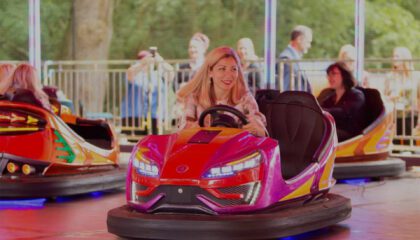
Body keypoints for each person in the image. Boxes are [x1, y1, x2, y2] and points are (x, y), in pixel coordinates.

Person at [176, 46, 267, 137]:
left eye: (233, 69)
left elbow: (259, 125)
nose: (229, 75)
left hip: (235, 148)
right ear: (210, 72)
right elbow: (184, 129)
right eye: (222, 69)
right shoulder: (195, 97)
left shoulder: (245, 97)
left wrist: (256, 129)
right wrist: (198, 127)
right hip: (204, 148)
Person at [121, 49, 174, 135]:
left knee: (156, 143)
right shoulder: (136, 74)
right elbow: (129, 73)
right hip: (136, 116)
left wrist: (161, 61)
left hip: (156, 116)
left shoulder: (158, 75)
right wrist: (142, 63)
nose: (148, 62)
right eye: (141, 59)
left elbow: (171, 73)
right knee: (136, 143)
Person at [320, 62, 366, 142]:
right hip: (334, 130)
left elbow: (345, 112)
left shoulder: (356, 95)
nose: (330, 78)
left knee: (319, 133)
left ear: (344, 75)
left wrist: (323, 111)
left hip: (350, 134)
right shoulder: (330, 97)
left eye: (334, 74)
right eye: (329, 75)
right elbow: (320, 107)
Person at [384, 47, 419, 142]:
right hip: (394, 116)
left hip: (410, 115)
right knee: (394, 144)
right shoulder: (389, 77)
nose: (394, 58)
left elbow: (418, 97)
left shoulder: (415, 76)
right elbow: (384, 96)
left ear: (405, 58)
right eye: (393, 56)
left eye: (397, 56)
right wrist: (390, 97)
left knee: (409, 143)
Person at [277, 25, 312, 93]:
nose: (309, 46)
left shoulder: (292, 58)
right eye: (308, 42)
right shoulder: (286, 59)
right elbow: (284, 89)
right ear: (299, 39)